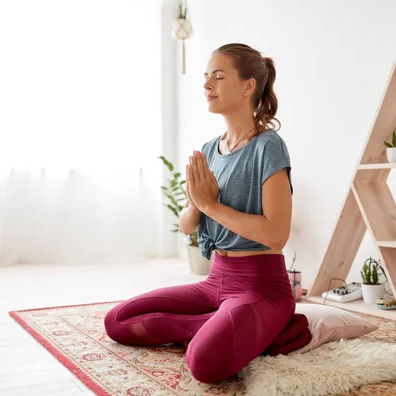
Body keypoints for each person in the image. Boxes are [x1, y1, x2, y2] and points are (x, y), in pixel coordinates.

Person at [104, 43, 308, 383]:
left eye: (218, 76)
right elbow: (188, 225)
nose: (206, 85)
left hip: (261, 288)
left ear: (248, 86)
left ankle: (235, 328)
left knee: (205, 365)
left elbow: (276, 234)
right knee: (117, 320)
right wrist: (196, 202)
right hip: (215, 280)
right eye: (205, 77)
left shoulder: (269, 146)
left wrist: (211, 204)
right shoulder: (211, 149)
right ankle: (219, 326)